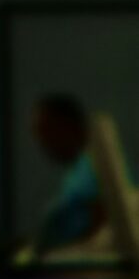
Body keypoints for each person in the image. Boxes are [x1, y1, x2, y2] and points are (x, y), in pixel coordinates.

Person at [30, 93, 104, 251]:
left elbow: (103, 229)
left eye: (45, 131)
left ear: (67, 126)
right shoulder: (78, 171)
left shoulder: (93, 168)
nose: (41, 141)